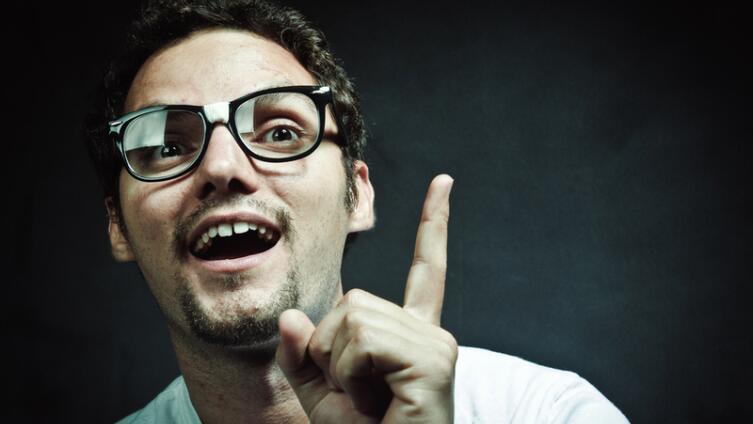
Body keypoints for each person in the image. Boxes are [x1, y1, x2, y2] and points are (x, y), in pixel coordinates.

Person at [85, 0, 629, 422]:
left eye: (280, 132)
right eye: (166, 147)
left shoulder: (546, 411)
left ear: (357, 194)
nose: (222, 166)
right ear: (118, 226)